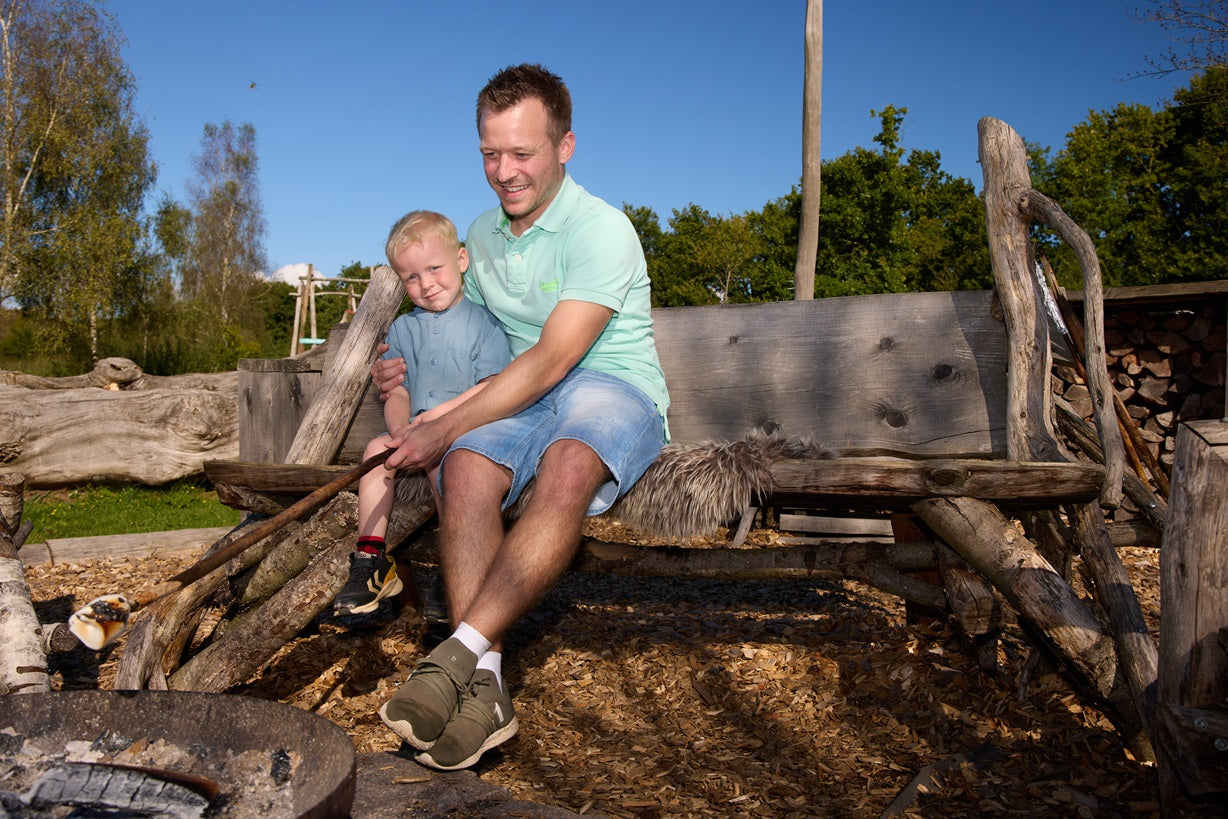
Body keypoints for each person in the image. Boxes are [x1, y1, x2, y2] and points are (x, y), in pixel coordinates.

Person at [370, 63, 670, 771]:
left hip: (610, 387)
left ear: (565, 147)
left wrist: (446, 420)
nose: (503, 171)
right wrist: (399, 361)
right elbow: (445, 309)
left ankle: (459, 651)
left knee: (567, 460)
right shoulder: (480, 234)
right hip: (526, 394)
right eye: (489, 153)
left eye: (522, 153)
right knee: (465, 465)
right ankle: (490, 688)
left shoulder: (603, 231)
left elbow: (555, 359)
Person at [333, 210, 509, 617]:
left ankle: (456, 570)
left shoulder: (485, 324)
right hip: (416, 430)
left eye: (435, 268)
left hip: (466, 430)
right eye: (412, 277)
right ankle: (370, 561)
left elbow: (489, 389)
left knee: (443, 464)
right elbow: (397, 390)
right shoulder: (402, 331)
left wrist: (434, 423)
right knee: (376, 454)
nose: (426, 284)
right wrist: (399, 432)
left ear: (461, 261)